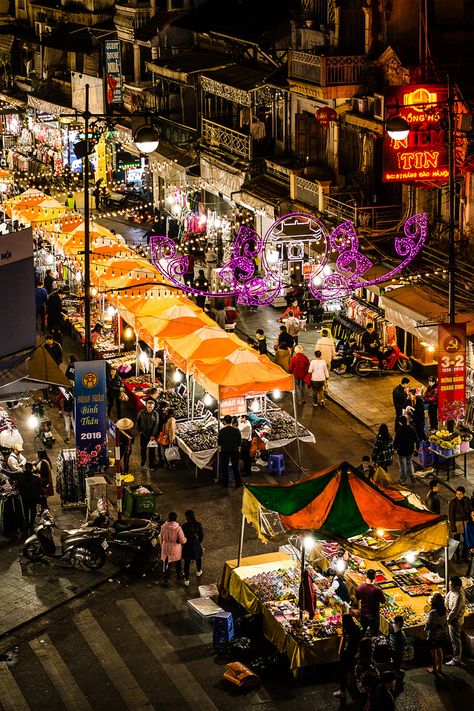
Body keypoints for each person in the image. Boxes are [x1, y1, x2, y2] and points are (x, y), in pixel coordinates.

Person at [333, 614, 362, 700]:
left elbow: (356, 642)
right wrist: (339, 650)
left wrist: (356, 653)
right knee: (347, 671)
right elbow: (343, 637)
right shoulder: (351, 628)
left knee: (345, 671)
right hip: (347, 654)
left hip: (349, 654)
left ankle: (345, 691)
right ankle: (348, 689)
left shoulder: (353, 630)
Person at [355, 568, 386, 636]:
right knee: (374, 634)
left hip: (363, 613)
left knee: (362, 631)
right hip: (374, 615)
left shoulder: (360, 587)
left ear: (366, 576)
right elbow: (383, 601)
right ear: (375, 577)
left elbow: (357, 598)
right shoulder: (377, 590)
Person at [160, 512, 186, 587]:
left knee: (166, 563)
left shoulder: (163, 527)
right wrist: (185, 540)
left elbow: (161, 537)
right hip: (175, 548)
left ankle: (165, 580)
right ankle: (179, 574)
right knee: (178, 561)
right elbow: (183, 540)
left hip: (165, 547)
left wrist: (162, 546)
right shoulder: (178, 528)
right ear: (175, 519)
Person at [445, 575, 466, 665]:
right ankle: (453, 654)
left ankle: (456, 658)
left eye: (451, 585)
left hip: (455, 621)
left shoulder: (460, 597)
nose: (449, 587)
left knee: (455, 640)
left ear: (457, 586)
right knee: (452, 639)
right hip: (450, 617)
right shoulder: (453, 591)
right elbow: (447, 597)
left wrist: (447, 619)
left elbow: (455, 611)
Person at [17, 462, 43, 533]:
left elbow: (19, 487)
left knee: (26, 510)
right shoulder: (36, 478)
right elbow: (40, 489)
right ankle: (31, 523)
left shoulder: (21, 477)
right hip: (33, 498)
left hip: (24, 498)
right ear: (32, 468)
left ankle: (27, 522)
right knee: (33, 510)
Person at [425, 592, 447, 674]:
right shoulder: (444, 610)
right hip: (442, 633)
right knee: (439, 649)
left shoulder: (433, 612)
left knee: (433, 651)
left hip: (434, 634)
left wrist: (426, 629)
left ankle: (434, 668)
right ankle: (440, 668)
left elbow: (429, 624)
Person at [393, 415, 419, 484]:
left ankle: (402, 479)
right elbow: (417, 439)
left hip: (402, 451)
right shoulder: (412, 429)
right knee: (409, 462)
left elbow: (396, 441)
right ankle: (412, 476)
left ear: (400, 423)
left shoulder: (399, 431)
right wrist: (417, 448)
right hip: (410, 450)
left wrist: (395, 448)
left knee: (403, 465)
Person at [218, 414, 242, 488]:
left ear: (224, 422)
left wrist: (220, 451)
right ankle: (238, 482)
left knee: (224, 467)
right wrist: (238, 451)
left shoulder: (221, 431)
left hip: (224, 451)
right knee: (235, 467)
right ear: (231, 421)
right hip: (234, 451)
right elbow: (239, 443)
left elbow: (219, 443)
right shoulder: (236, 430)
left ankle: (225, 483)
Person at [355, 637, 380, 707]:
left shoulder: (360, 657)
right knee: (367, 703)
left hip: (362, 686)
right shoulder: (366, 660)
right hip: (367, 687)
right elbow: (367, 673)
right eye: (371, 645)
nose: (373, 646)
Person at [448, 486, 471, 562]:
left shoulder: (467, 500)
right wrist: (452, 527)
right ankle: (457, 557)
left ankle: (464, 555)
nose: (458, 495)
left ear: (463, 494)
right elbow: (451, 516)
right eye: (457, 494)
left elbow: (470, 511)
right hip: (457, 524)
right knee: (456, 542)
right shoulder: (453, 502)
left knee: (466, 541)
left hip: (465, 523)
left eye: (460, 494)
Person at [181, 510, 204, 586]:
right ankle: (198, 571)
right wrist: (198, 542)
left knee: (187, 563)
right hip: (196, 545)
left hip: (187, 546)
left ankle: (187, 579)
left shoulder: (184, 526)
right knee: (198, 558)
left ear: (187, 517)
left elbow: (182, 537)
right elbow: (201, 536)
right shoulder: (198, 525)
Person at [136, 398, 160, 469]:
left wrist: (153, 435)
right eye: (148, 407)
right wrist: (139, 430)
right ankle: (143, 460)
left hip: (151, 436)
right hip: (143, 434)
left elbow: (156, 425)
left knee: (151, 450)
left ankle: (151, 464)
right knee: (143, 448)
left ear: (153, 407)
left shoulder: (156, 414)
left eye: (151, 407)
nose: (150, 408)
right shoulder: (141, 412)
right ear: (146, 406)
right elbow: (137, 421)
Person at [464, 509, 474, 577]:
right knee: (472, 563)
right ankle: (470, 575)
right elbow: (467, 537)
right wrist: (470, 547)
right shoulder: (469, 525)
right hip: (472, 546)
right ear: (471, 516)